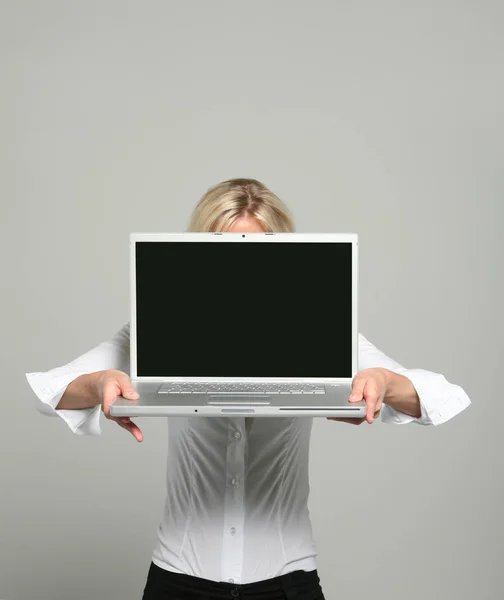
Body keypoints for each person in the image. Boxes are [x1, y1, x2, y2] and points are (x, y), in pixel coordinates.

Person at [26, 178, 471, 600]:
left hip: (287, 583)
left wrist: (385, 382)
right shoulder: (153, 336)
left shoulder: (325, 338)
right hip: (178, 581)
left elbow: (440, 397)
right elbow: (52, 391)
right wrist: (101, 383)